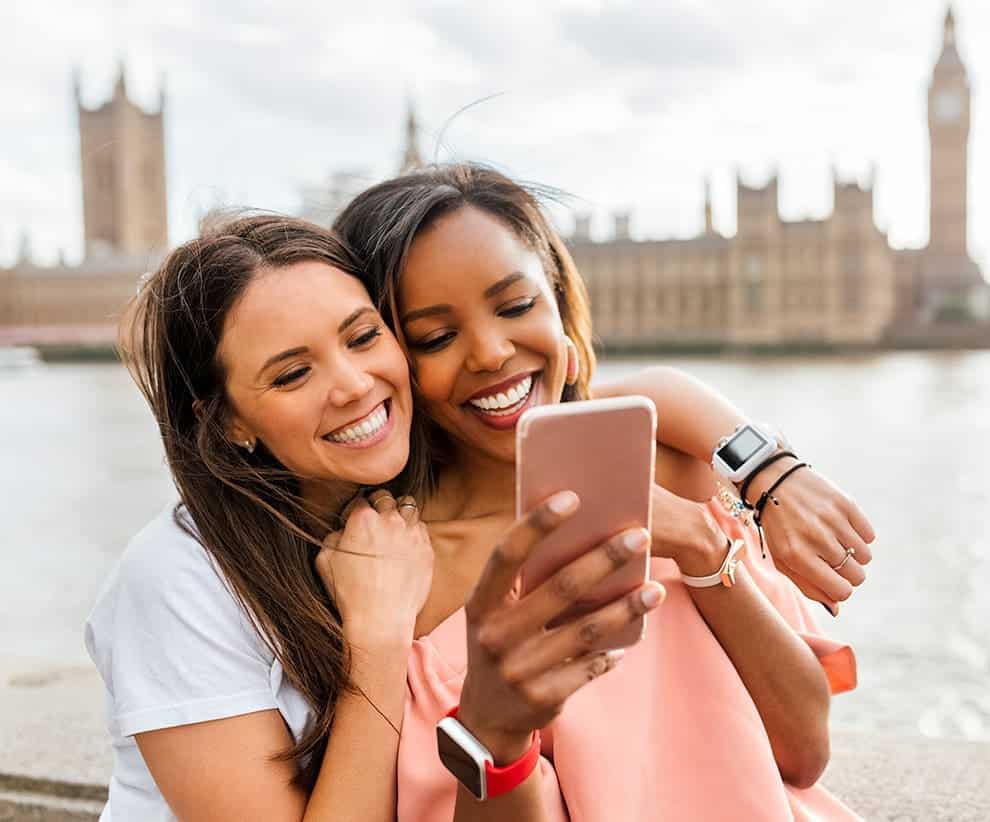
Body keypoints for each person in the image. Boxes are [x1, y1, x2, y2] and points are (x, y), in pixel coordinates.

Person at [88, 211, 871, 820]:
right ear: (227, 420)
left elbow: (598, 399)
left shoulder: (594, 486)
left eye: (364, 338)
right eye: (292, 373)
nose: (355, 385)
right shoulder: (188, 580)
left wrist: (763, 466)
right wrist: (380, 642)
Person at [332, 163, 868, 820]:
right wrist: (495, 735)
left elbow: (804, 753)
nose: (491, 352)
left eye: (517, 305)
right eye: (436, 336)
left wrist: (707, 550)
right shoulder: (394, 576)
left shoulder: (672, 473)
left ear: (559, 302)